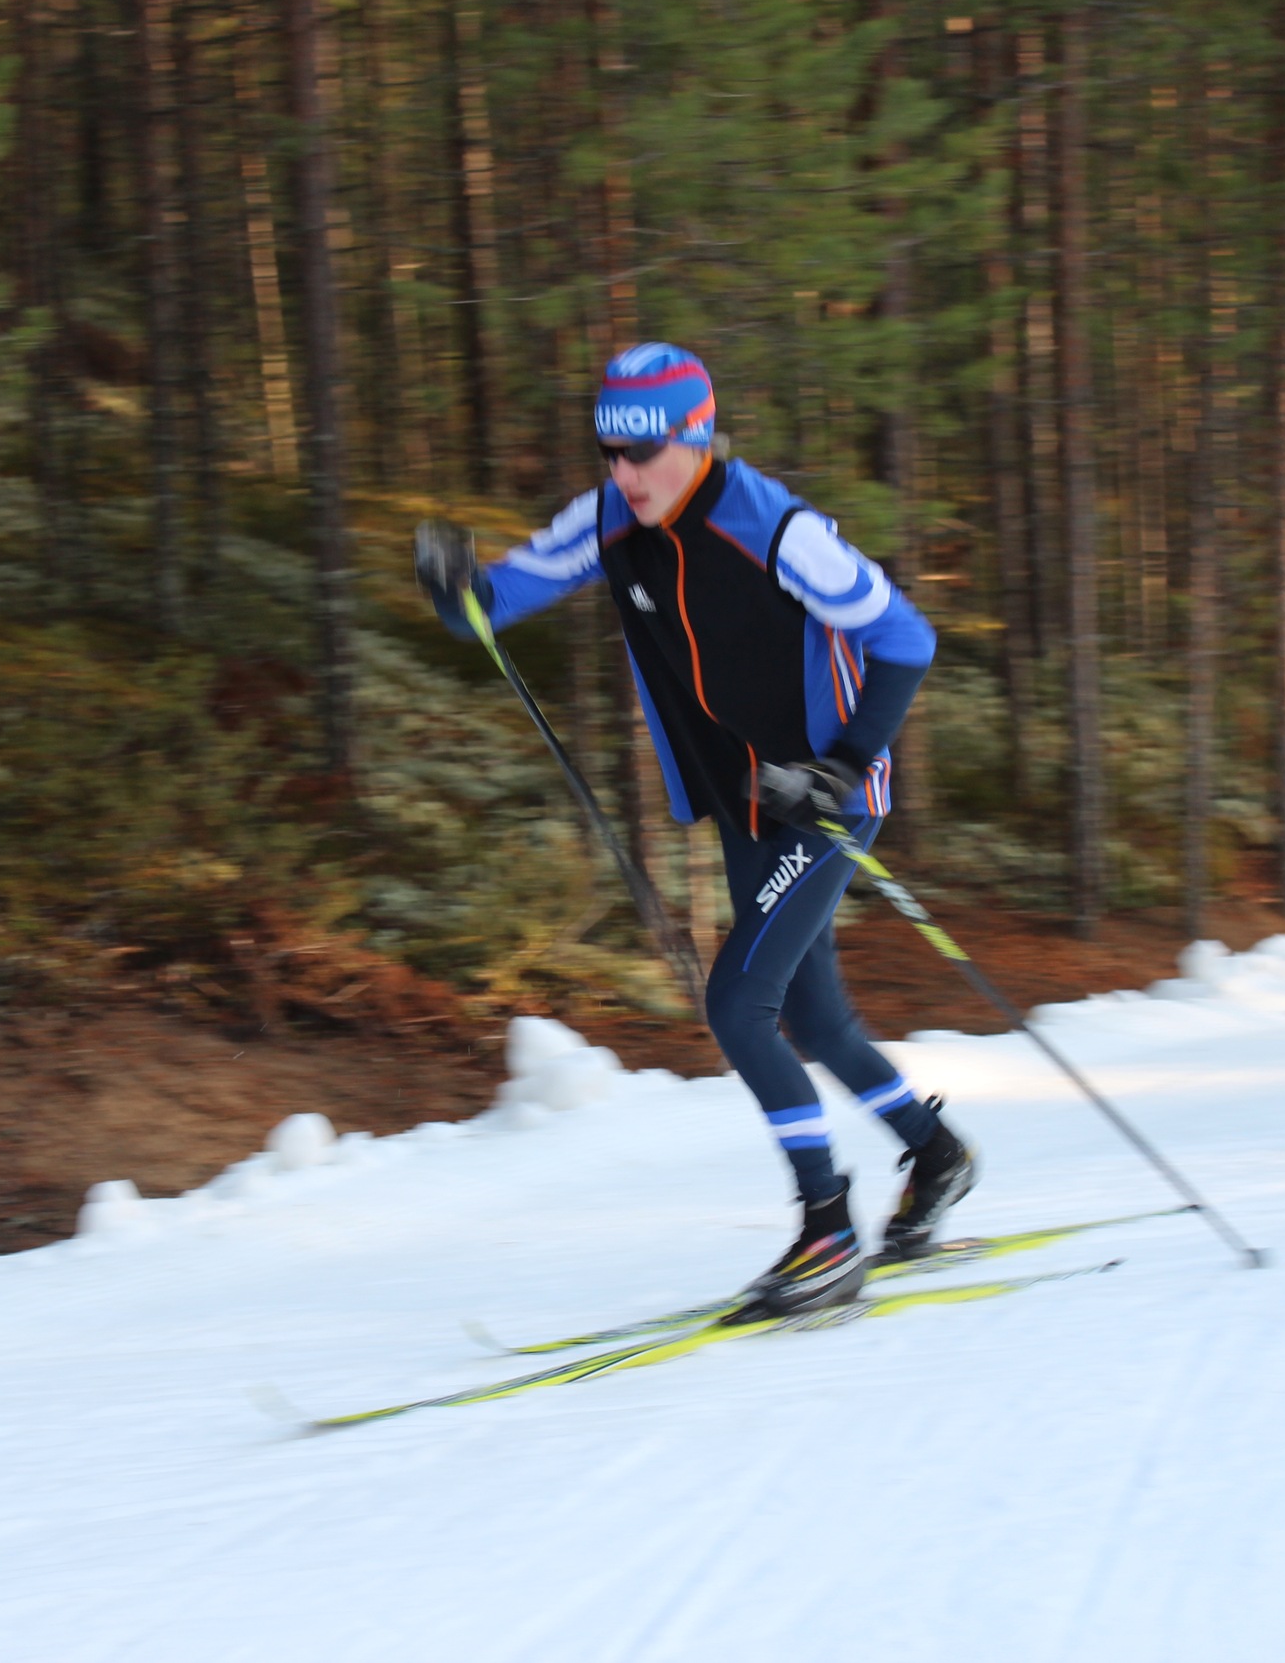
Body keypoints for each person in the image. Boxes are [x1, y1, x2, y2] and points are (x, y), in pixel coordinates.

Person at [414, 342, 971, 1319]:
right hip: (745, 797)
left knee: (739, 1006)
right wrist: (454, 585)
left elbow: (905, 638)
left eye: (643, 451)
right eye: (609, 450)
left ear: (697, 437)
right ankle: (937, 1157)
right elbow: (489, 607)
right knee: (813, 1020)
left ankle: (826, 1230)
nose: (624, 473)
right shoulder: (607, 518)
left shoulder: (776, 528)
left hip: (825, 795)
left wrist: (844, 766)